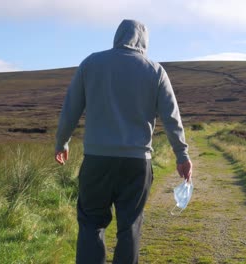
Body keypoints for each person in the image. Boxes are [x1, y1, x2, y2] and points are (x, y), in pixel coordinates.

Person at [54, 19, 192, 264]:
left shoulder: (91, 63)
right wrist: (181, 156)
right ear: (144, 41)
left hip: (97, 161)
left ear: (117, 36)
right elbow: (172, 118)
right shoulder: (155, 71)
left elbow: (70, 109)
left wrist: (61, 142)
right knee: (130, 227)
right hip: (137, 164)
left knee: (91, 224)